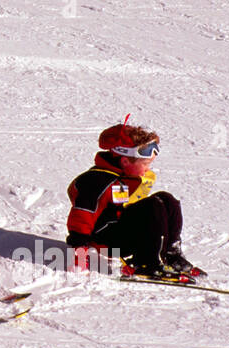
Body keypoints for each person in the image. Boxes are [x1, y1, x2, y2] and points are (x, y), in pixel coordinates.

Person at [65, 118, 204, 278]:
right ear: (125, 161)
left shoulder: (122, 178)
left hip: (118, 233)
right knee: (152, 206)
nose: (147, 170)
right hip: (105, 242)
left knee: (166, 199)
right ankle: (146, 262)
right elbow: (81, 218)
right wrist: (79, 255)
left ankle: (170, 255)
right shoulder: (97, 181)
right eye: (145, 164)